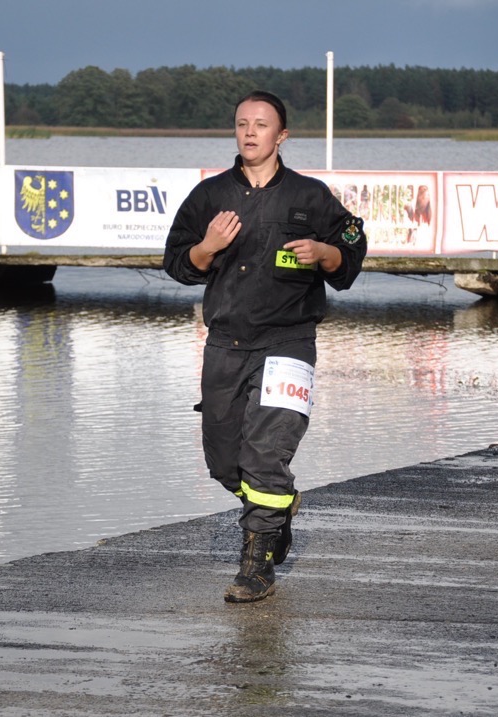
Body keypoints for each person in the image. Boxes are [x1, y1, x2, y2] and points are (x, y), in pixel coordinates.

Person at [163, 90, 368, 603]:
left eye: (260, 124)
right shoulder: (209, 196)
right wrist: (207, 246)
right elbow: (177, 263)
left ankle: (257, 564)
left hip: (288, 343)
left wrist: (325, 252)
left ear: (282, 135)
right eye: (242, 124)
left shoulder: (309, 196)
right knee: (224, 461)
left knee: (265, 452)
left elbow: (352, 246)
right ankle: (279, 506)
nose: (250, 132)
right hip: (225, 345)